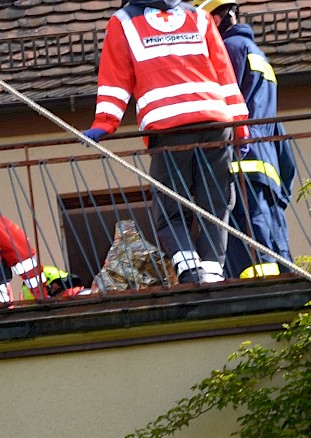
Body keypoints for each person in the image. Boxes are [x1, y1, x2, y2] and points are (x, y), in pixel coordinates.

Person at [83, 0, 249, 286]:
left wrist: (104, 124)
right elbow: (225, 75)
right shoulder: (198, 16)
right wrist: (240, 126)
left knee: (172, 207)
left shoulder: (122, 22)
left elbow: (115, 80)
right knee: (216, 201)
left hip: (169, 127)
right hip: (216, 122)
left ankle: (188, 268)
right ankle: (211, 271)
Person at [198, 0, 296, 279]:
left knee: (248, 246)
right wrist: (284, 174)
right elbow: (272, 122)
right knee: (273, 244)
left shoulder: (227, 51)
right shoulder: (257, 54)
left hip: (239, 160)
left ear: (213, 20)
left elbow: (222, 106)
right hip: (265, 165)